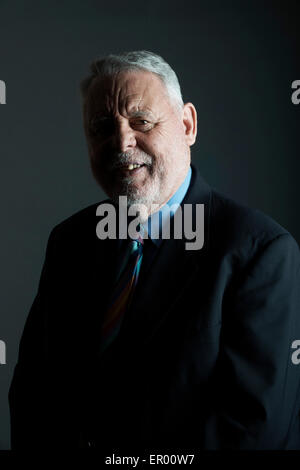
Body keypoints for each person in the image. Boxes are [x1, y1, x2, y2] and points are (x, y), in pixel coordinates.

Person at [9, 50, 300, 450]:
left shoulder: (260, 253)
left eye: (141, 121)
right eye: (101, 127)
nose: (122, 141)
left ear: (187, 125)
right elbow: (32, 397)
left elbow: (252, 430)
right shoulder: (70, 242)